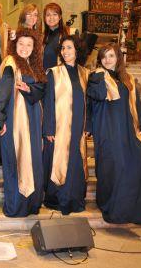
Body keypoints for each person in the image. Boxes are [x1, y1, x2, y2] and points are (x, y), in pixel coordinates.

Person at [87, 43, 141, 225]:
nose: (107, 60)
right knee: (113, 166)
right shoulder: (96, 76)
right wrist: (101, 76)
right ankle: (112, 208)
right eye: (104, 56)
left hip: (126, 129)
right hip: (106, 128)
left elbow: (137, 106)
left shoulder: (128, 79)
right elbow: (97, 95)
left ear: (118, 58)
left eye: (111, 56)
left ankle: (134, 210)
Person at [0, 28, 46, 217]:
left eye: (29, 45)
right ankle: (17, 206)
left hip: (33, 119)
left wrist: (30, 89)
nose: (25, 48)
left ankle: (32, 204)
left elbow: (41, 91)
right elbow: (5, 87)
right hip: (16, 120)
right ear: (15, 45)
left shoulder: (35, 65)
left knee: (33, 162)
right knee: (17, 162)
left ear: (34, 48)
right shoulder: (10, 63)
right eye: (21, 44)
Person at [42, 36, 89, 215]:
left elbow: (89, 102)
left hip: (78, 125)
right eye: (62, 48)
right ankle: (58, 199)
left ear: (77, 50)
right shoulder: (53, 72)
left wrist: (88, 125)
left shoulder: (85, 73)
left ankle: (74, 198)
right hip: (60, 126)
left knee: (76, 160)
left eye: (69, 48)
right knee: (59, 162)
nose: (65, 51)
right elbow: (49, 101)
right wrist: (48, 128)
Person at [42, 2, 69, 70]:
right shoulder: (41, 37)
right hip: (43, 77)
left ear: (59, 17)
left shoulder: (66, 36)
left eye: (55, 14)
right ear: (44, 18)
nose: (51, 18)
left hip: (60, 76)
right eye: (48, 15)